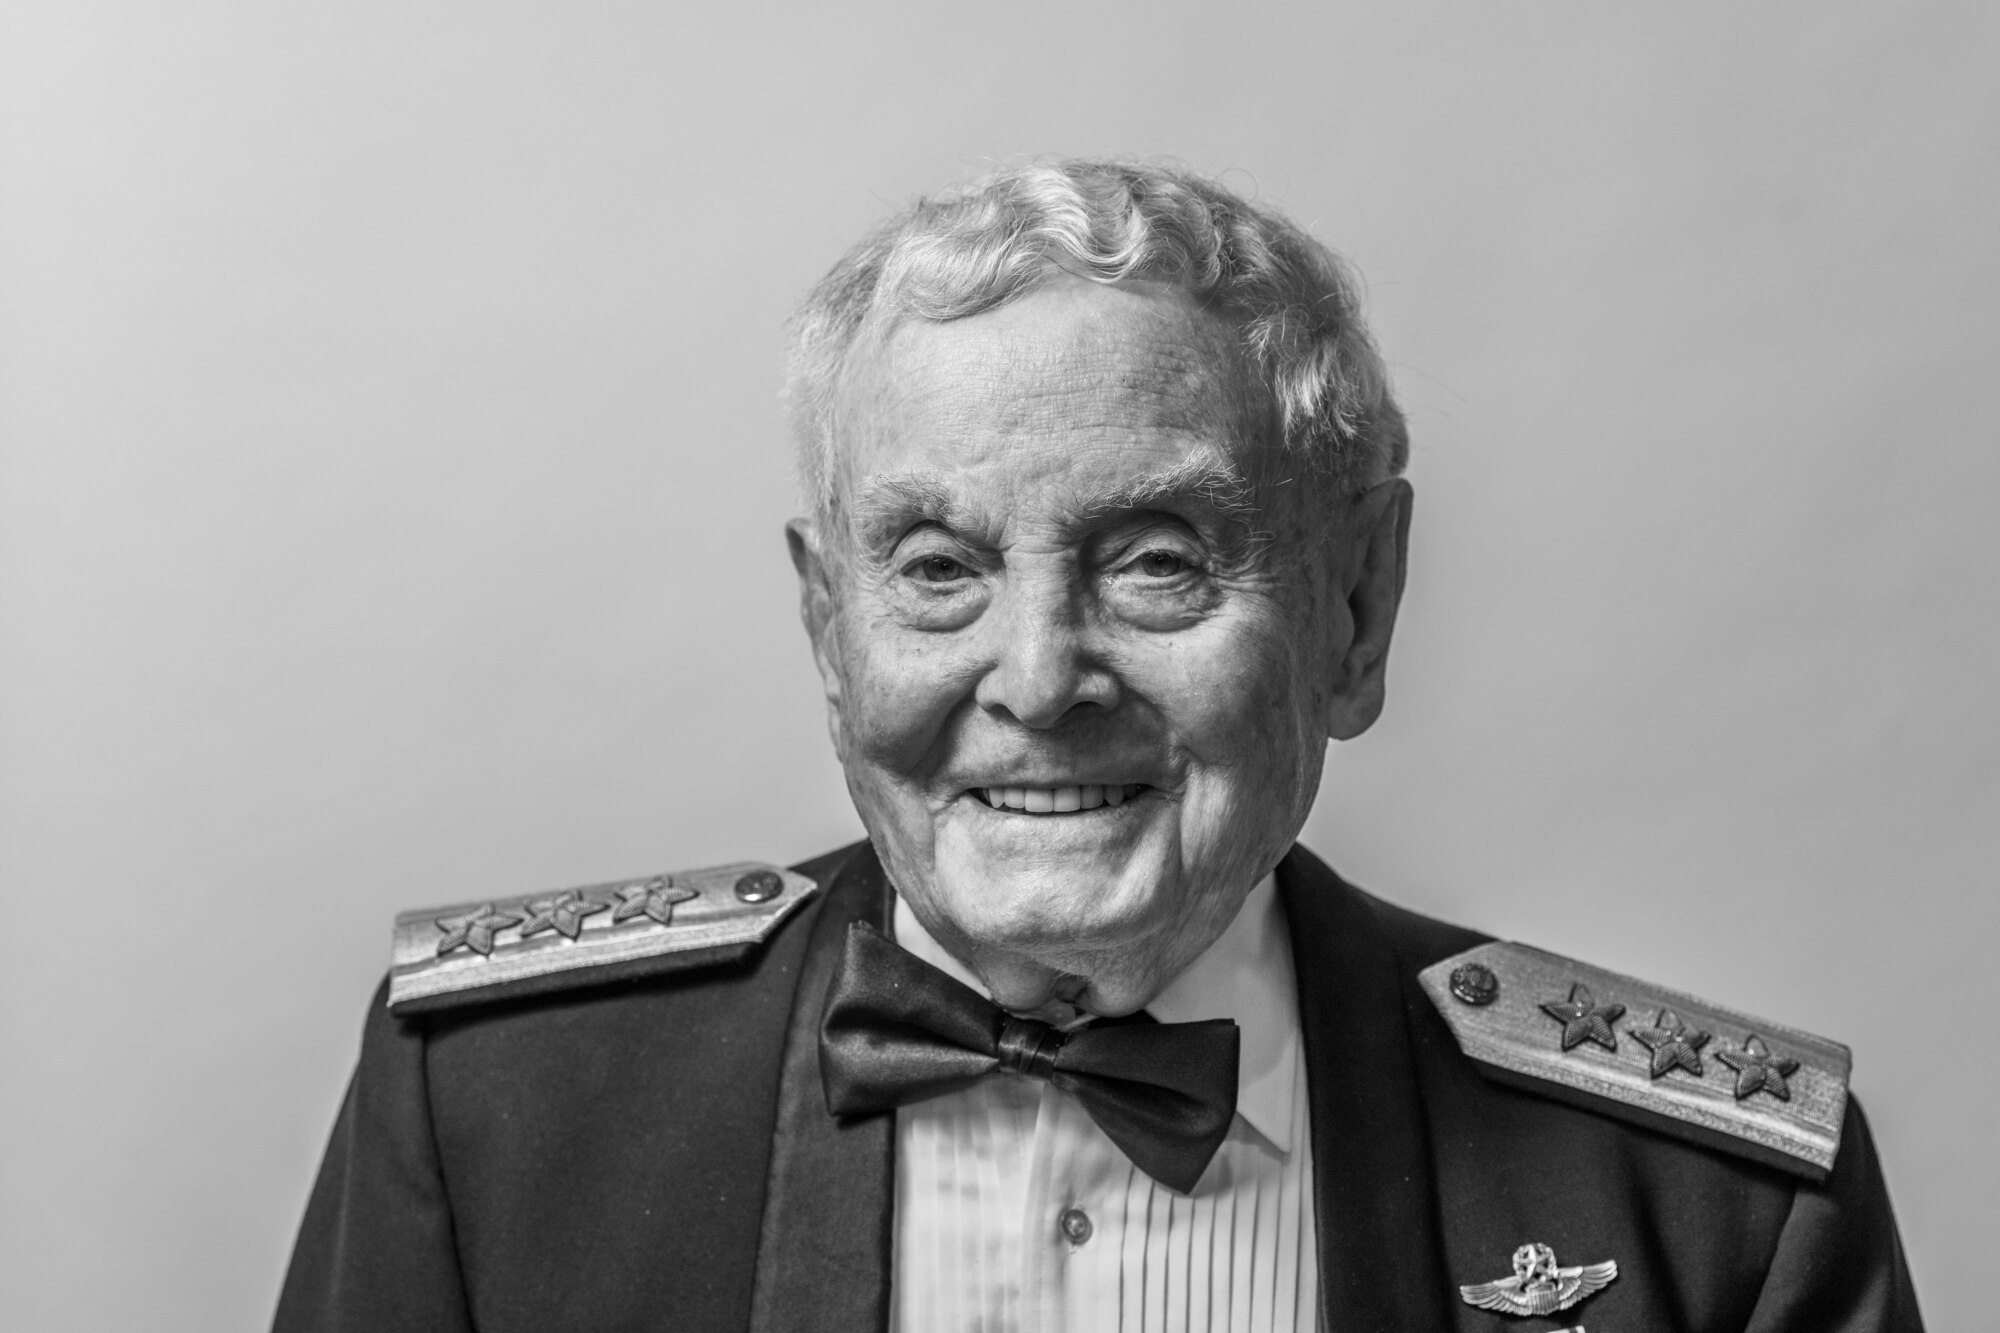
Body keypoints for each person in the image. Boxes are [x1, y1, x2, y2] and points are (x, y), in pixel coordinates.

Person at [273, 159, 1921, 1332]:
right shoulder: (495, 1114)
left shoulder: (1720, 1208)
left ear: (1356, 609)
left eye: (1156, 561)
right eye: (939, 571)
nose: (1041, 675)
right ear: (828, 631)